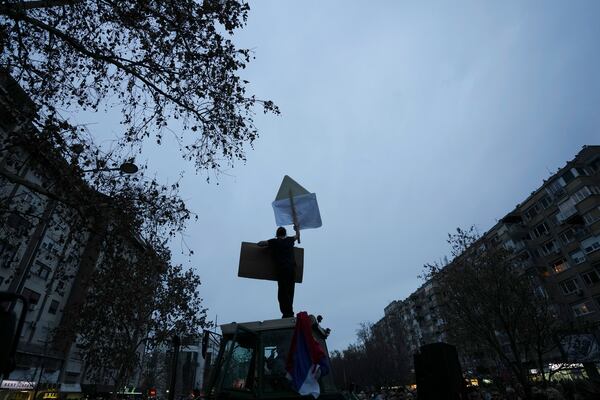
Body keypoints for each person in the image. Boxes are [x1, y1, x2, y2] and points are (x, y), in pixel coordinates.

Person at [258, 226, 299, 318]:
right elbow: (297, 236)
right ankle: (289, 312)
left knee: (282, 293)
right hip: (292, 269)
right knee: (290, 291)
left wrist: (267, 244)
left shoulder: (274, 241)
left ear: (277, 234)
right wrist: (297, 229)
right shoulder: (290, 240)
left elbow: (260, 244)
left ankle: (287, 313)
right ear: (285, 233)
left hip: (282, 270)